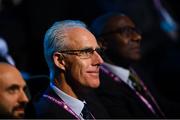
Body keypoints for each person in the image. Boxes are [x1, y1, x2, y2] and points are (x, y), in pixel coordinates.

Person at [90, 12, 165, 118]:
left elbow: (161, 105)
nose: (137, 37)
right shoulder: (102, 86)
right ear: (102, 43)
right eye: (126, 32)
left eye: (135, 31)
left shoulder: (136, 69)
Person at [33, 20, 108, 119]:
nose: (99, 61)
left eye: (98, 51)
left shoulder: (94, 102)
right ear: (60, 61)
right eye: (86, 52)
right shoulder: (44, 114)